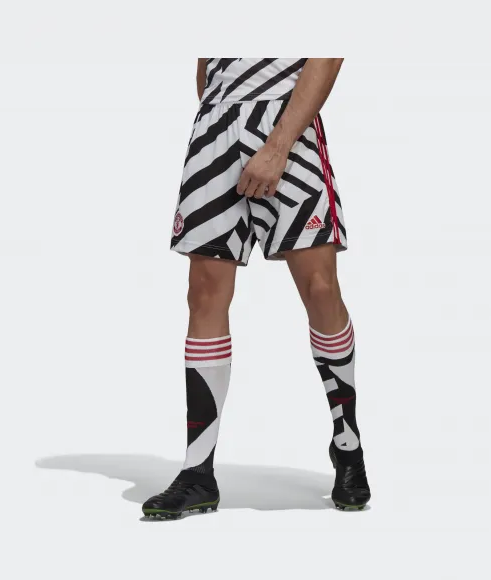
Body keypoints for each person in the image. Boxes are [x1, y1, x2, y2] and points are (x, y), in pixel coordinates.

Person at [142, 58, 370, 519]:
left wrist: (278, 145)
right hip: (217, 123)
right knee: (204, 292)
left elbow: (327, 53)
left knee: (320, 287)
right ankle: (197, 472)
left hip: (288, 121)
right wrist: (218, 109)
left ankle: (347, 442)